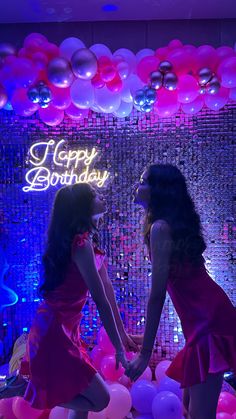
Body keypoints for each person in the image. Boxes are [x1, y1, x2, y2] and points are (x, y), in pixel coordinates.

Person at [1, 183, 140, 419]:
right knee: (100, 400)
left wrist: (123, 337)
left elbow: (108, 294)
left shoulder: (89, 246)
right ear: (82, 207)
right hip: (54, 332)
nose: (101, 195)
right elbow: (101, 301)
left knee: (82, 405)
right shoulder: (80, 245)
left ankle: (28, 387)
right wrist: (117, 348)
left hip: (65, 332)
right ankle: (27, 388)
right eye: (94, 195)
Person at [125, 164, 236, 419]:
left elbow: (157, 295)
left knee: (200, 414)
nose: (137, 186)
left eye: (143, 181)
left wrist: (145, 355)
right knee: (188, 409)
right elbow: (183, 291)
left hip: (209, 324)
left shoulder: (160, 228)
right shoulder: (162, 227)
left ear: (159, 191)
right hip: (206, 321)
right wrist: (147, 339)